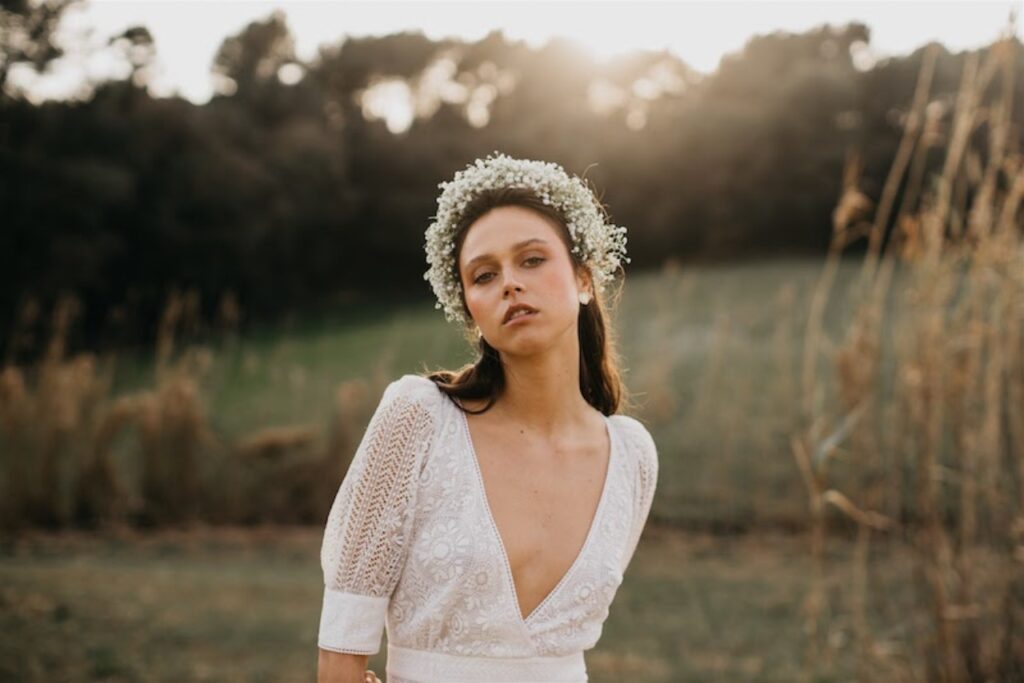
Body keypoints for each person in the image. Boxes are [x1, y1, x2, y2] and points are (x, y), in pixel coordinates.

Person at [317, 152, 659, 683]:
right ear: (468, 307)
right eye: (484, 275)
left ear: (584, 279)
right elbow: (339, 655)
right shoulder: (418, 419)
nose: (509, 284)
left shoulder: (632, 456)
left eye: (531, 260)